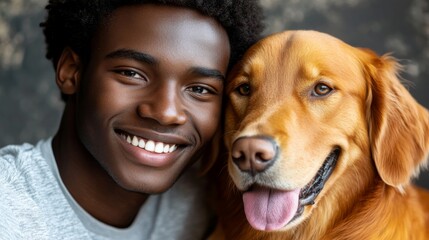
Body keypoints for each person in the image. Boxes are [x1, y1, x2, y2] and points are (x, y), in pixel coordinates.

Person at [0, 0, 264, 239]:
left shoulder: (208, 198)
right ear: (72, 71)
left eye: (200, 89)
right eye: (132, 73)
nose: (166, 112)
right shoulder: (9, 212)